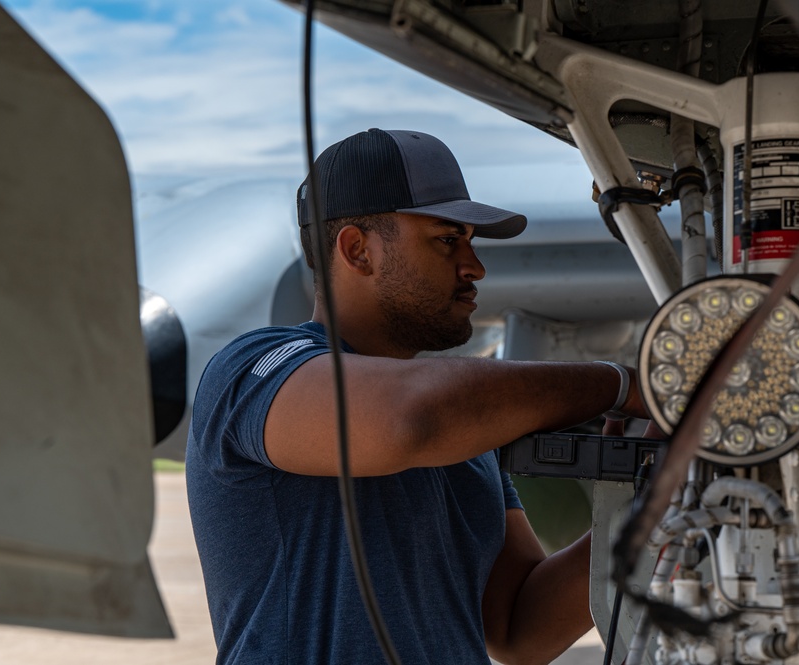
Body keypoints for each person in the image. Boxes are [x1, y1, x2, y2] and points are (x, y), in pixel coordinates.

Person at [186, 128, 650, 665]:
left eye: (470, 242)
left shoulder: (463, 428)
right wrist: (622, 386)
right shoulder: (254, 368)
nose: (474, 267)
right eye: (447, 240)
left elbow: (520, 631)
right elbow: (407, 418)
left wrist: (649, 503)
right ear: (357, 250)